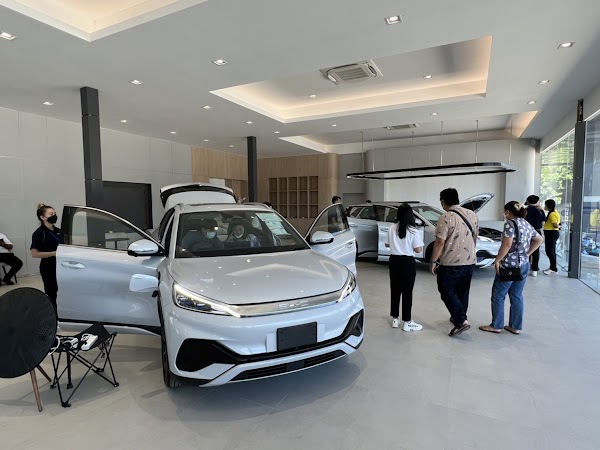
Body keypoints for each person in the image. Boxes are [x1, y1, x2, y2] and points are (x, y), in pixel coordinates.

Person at [479, 201, 543, 335]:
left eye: (505, 211)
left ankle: (496, 325)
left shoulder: (510, 223)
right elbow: (539, 239)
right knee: (516, 295)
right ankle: (515, 326)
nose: (504, 214)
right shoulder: (525, 223)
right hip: (524, 264)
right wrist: (527, 254)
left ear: (508, 212)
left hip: (509, 266)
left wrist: (497, 260)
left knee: (498, 295)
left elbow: (507, 244)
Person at [430, 188, 478, 337]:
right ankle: (460, 316)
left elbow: (439, 243)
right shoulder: (472, 214)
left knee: (445, 289)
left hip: (451, 262)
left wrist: (433, 260)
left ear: (443, 202)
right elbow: (474, 238)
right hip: (470, 261)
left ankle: (461, 321)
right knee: (463, 291)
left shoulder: (445, 217)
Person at [387, 204, 424, 331]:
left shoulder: (391, 228)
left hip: (394, 261)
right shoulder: (414, 231)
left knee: (395, 290)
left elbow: (387, 244)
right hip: (407, 262)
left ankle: (395, 319)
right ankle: (407, 321)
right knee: (407, 291)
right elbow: (418, 249)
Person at [30, 203, 63, 310]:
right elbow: (34, 254)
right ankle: (52, 313)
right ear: (43, 217)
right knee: (51, 293)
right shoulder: (39, 233)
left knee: (61, 292)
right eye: (51, 214)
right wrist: (54, 253)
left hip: (61, 266)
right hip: (48, 267)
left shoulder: (59, 231)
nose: (54, 216)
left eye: (55, 213)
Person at [524, 195, 545, 276]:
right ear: (537, 201)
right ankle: (535, 270)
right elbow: (543, 223)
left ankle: (526, 266)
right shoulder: (540, 211)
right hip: (537, 231)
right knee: (535, 250)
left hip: (526, 231)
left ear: (528, 201)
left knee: (525, 248)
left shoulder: (524, 210)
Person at [543, 199, 561, 275]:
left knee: (550, 251)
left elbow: (555, 225)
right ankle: (552, 267)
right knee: (551, 251)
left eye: (545, 205)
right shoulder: (554, 212)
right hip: (551, 233)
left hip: (551, 233)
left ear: (549, 206)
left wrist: (559, 227)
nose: (544, 206)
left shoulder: (552, 214)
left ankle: (553, 268)